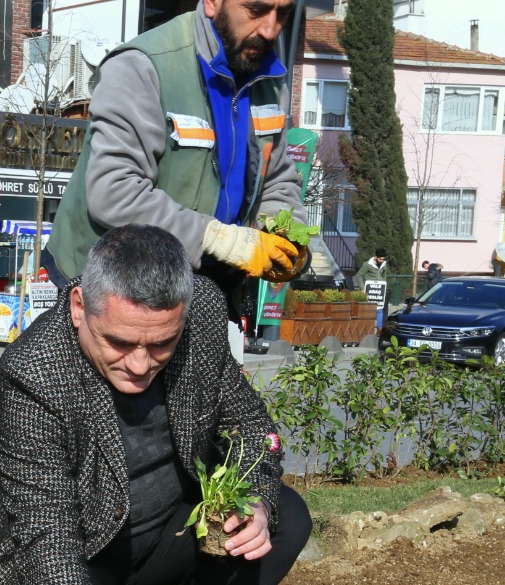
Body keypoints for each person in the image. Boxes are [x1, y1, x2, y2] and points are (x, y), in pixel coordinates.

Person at [0, 225, 311, 585]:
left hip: (158, 533)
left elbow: (249, 427)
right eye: (119, 342)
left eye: (161, 345)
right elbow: (47, 538)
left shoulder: (200, 311)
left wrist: (256, 506)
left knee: (286, 518)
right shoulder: (35, 372)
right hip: (70, 543)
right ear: (79, 307)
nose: (139, 365)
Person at [43, 0, 307, 343]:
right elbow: (114, 191)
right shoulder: (142, 66)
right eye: (256, 10)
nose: (270, 29)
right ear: (212, 2)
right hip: (111, 303)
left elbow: (277, 179)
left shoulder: (270, 80)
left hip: (202, 297)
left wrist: (287, 235)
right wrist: (219, 240)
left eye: (283, 13)